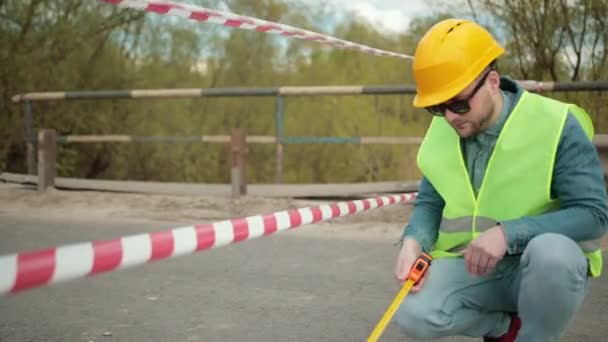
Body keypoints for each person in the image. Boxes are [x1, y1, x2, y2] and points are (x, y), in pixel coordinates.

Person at [394, 18, 608, 342]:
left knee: (554, 256)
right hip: (478, 270)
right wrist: (413, 242)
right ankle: (505, 329)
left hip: (542, 272)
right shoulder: (447, 127)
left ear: (492, 81)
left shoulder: (556, 124)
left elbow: (594, 215)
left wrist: (508, 234)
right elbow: (430, 200)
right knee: (412, 313)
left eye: (458, 102)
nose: (450, 116)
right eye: (438, 106)